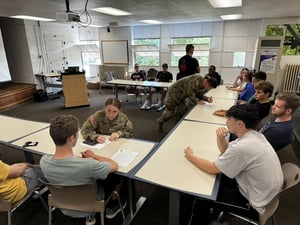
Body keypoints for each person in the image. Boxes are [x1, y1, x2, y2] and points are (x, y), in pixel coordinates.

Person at [184, 104, 283, 224]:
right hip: (263, 193)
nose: (226, 122)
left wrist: (190, 156)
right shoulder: (254, 135)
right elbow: (225, 151)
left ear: (240, 123)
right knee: (218, 178)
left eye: (229, 119)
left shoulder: (243, 147)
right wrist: (220, 138)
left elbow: (212, 168)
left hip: (253, 204)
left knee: (201, 198)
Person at [40, 115, 125, 225]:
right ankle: (114, 204)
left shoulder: (44, 161)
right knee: (118, 175)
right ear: (72, 138)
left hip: (63, 204)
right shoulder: (88, 165)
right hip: (91, 204)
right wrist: (94, 156)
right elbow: (114, 165)